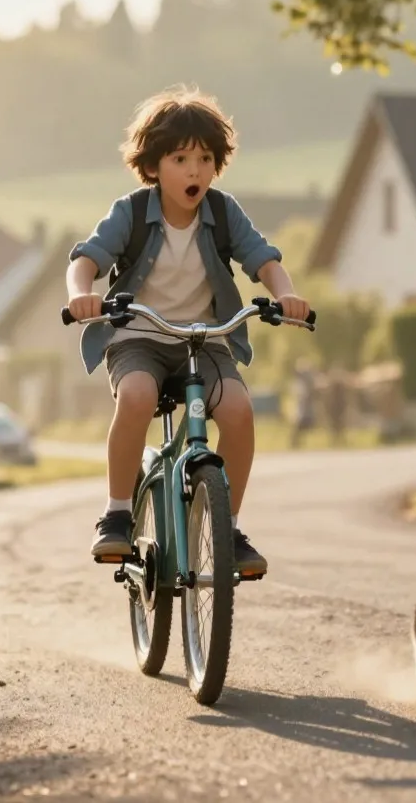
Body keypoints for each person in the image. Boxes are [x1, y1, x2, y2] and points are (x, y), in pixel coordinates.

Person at [64, 85, 312, 576]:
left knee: (239, 412)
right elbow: (87, 260)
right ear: (153, 167)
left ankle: (230, 527)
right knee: (135, 396)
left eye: (204, 158)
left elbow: (263, 259)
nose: (194, 170)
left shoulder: (223, 213)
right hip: (140, 338)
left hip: (206, 340)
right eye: (180, 158)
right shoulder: (131, 213)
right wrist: (80, 293)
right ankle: (116, 515)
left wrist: (286, 294)